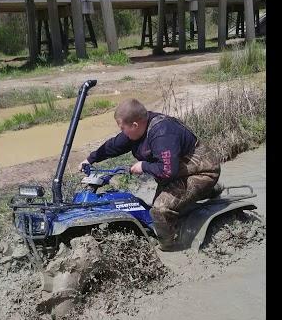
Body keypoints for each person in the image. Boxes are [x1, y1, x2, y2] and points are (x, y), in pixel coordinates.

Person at [78, 98, 221, 251]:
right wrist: (89, 159)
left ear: (134, 125)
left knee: (159, 211)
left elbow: (167, 171)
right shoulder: (136, 131)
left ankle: (169, 248)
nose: (122, 132)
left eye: (122, 128)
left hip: (201, 172)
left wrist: (143, 166)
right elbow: (112, 146)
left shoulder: (162, 133)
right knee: (157, 212)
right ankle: (206, 192)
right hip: (179, 172)